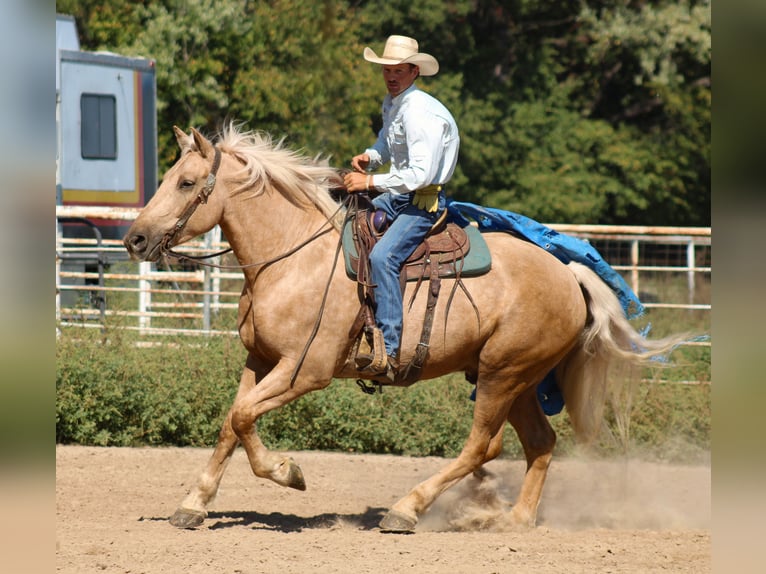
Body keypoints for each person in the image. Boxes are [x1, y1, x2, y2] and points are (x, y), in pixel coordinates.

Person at [344, 35, 460, 379]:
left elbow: (418, 174)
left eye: (398, 70)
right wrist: (372, 155)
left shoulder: (420, 113)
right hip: (400, 195)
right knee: (351, 219)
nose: (391, 76)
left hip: (423, 202)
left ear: (414, 72)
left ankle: (390, 348)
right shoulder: (394, 102)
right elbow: (387, 141)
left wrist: (368, 182)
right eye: (387, 70)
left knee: (384, 257)